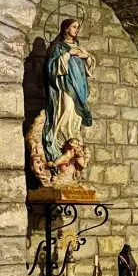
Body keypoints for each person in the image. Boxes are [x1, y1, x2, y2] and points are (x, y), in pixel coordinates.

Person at [43, 18, 95, 170]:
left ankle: (74, 140)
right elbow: (51, 68)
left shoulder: (79, 47)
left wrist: (87, 57)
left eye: (78, 27)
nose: (77, 30)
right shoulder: (58, 47)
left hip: (80, 86)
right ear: (66, 28)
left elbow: (90, 64)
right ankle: (60, 141)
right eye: (74, 27)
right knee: (66, 109)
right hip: (65, 86)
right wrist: (67, 54)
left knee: (76, 116)